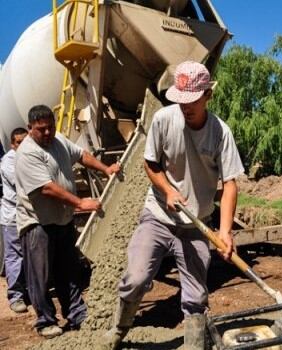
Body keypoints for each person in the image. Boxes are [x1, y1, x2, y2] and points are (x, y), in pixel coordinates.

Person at [102, 61, 244, 349]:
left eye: (192, 100)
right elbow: (150, 163)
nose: (185, 106)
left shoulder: (220, 133)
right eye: (181, 100)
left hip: (197, 225)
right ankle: (119, 328)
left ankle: (193, 344)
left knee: (196, 294)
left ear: (208, 96)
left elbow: (230, 183)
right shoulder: (164, 120)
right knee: (137, 277)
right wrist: (166, 189)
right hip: (158, 214)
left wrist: (226, 231)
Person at [16, 105, 121, 338]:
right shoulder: (27, 153)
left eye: (50, 128)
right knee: (41, 276)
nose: (47, 133)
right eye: (41, 129)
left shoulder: (59, 140)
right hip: (38, 223)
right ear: (29, 129)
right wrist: (81, 203)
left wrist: (106, 169)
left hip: (62, 220)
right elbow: (47, 188)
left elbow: (82, 155)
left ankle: (76, 314)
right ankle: (45, 321)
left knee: (69, 271)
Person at [2, 127, 29, 314]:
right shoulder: (8, 161)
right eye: (19, 142)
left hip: (28, 215)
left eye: (25, 141)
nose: (22, 145)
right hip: (13, 217)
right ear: (12, 144)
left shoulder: (28, 157)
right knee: (14, 257)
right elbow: (22, 184)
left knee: (29, 256)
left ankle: (27, 290)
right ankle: (15, 296)